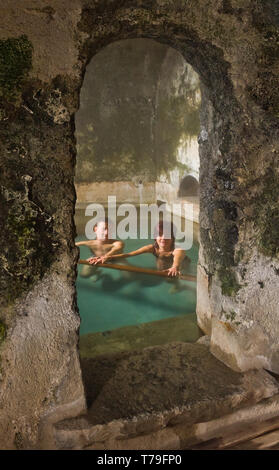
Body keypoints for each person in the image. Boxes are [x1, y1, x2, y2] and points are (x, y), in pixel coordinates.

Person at [89, 220, 189, 278]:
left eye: (167, 235)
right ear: (155, 236)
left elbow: (177, 260)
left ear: (173, 237)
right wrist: (106, 257)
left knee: (171, 278)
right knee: (161, 271)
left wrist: (175, 267)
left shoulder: (178, 250)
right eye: (160, 235)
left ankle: (178, 286)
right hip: (163, 260)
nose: (163, 238)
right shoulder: (152, 248)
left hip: (182, 264)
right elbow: (129, 254)